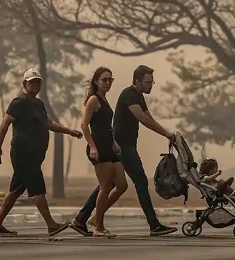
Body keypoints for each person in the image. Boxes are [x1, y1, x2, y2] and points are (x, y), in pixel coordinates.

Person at [70, 65, 177, 237]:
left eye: (152, 82)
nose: (151, 85)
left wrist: (168, 133)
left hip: (117, 144)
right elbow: (141, 118)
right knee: (139, 181)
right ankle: (154, 225)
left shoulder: (137, 96)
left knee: (112, 184)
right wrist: (165, 133)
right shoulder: (129, 95)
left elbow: (148, 116)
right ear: (137, 81)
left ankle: (83, 219)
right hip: (121, 145)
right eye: (148, 82)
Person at [0, 68, 83, 236]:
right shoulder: (18, 102)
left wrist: (69, 131)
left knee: (15, 190)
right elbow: (5, 124)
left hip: (35, 154)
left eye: (38, 82)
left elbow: (48, 123)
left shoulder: (38, 104)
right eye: (32, 82)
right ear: (24, 84)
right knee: (38, 189)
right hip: (23, 153)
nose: (35, 85)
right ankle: (51, 225)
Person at [76, 67, 128, 238]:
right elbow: (84, 125)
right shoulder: (93, 99)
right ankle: (99, 227)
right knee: (105, 187)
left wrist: (114, 142)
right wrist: (92, 146)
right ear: (96, 81)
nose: (107, 83)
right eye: (104, 80)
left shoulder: (104, 100)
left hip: (109, 146)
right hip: (98, 146)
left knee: (121, 185)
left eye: (110, 80)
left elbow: (106, 127)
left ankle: (95, 217)